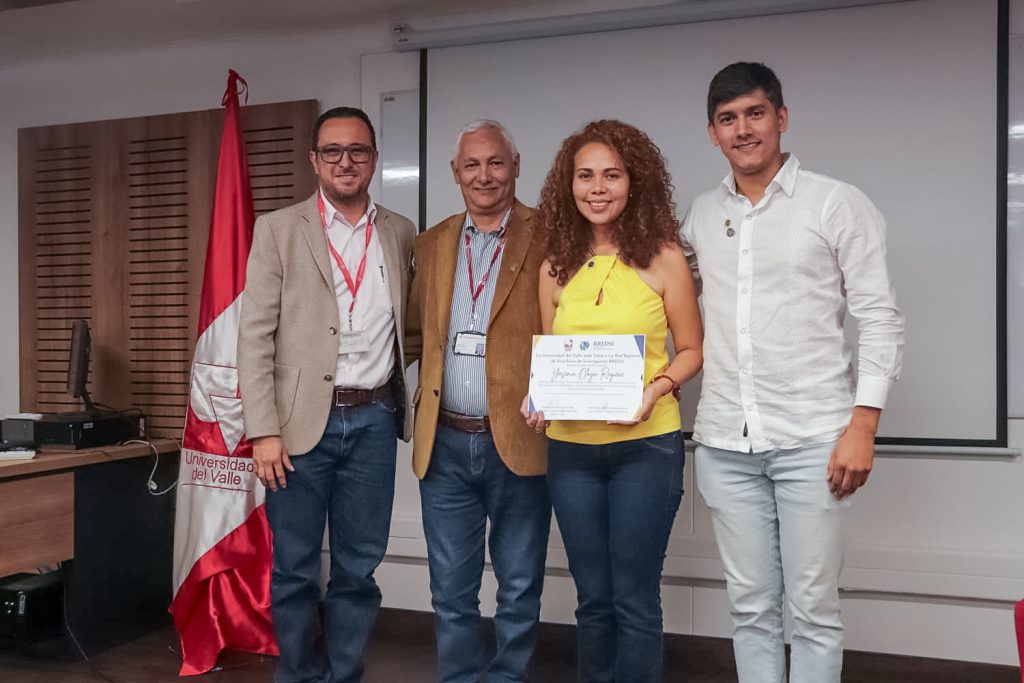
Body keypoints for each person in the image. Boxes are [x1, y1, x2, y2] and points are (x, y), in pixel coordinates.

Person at [680, 62, 906, 683]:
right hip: (726, 443)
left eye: (755, 113)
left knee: (812, 612)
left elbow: (881, 319)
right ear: (712, 133)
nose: (743, 129)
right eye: (728, 119)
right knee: (750, 609)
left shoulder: (836, 203)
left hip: (815, 441)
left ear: (781, 118)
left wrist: (863, 423)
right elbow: (663, 300)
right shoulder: (701, 214)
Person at [238, 106, 416, 683]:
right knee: (293, 568)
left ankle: (344, 674)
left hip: (373, 421)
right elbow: (255, 335)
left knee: (358, 569)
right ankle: (296, 675)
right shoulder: (279, 229)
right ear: (314, 160)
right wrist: (263, 429)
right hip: (294, 429)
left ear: (373, 159)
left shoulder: (400, 230)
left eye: (358, 151)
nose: (346, 161)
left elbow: (408, 326)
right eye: (333, 151)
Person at [524, 119, 703, 682]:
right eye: (585, 176)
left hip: (645, 451)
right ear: (567, 185)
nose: (597, 188)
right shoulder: (553, 265)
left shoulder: (666, 258)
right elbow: (553, 357)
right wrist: (539, 397)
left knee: (635, 598)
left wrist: (656, 389)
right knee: (592, 600)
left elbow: (693, 351)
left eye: (611, 175)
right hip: (571, 453)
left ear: (634, 182)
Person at [405, 120, 551, 682]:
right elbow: (415, 335)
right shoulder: (431, 242)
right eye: (472, 165)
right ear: (455, 172)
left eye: (495, 162)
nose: (484, 175)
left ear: (516, 165)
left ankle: (507, 677)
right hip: (443, 442)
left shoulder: (552, 234)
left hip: (517, 437)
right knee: (451, 589)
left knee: (518, 585)